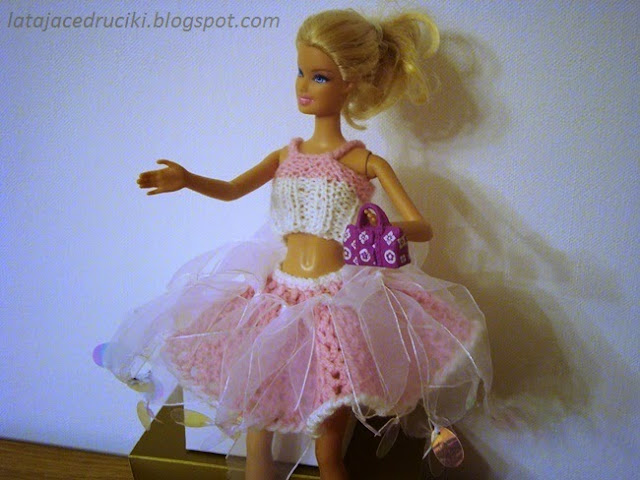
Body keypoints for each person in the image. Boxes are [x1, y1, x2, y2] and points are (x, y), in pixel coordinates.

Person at [97, 9, 492, 480]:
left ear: (350, 84)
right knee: (256, 430)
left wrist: (382, 227)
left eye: (320, 76)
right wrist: (188, 179)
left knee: (329, 451)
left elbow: (421, 225)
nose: (304, 86)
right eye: (301, 72)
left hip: (337, 303)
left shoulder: (365, 162)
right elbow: (232, 189)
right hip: (276, 298)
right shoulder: (285, 155)